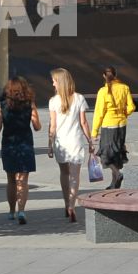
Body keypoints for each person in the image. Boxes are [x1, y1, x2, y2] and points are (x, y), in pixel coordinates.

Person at [0, 76, 40, 224]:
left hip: (9, 145)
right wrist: (34, 116)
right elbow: (37, 126)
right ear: (23, 89)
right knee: (23, 180)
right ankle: (22, 211)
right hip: (25, 144)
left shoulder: (2, 105)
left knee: (11, 180)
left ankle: (11, 211)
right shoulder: (29, 104)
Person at [47, 68, 94, 223]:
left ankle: (66, 203)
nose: (52, 83)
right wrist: (90, 141)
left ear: (59, 81)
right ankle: (72, 205)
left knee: (64, 174)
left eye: (54, 80)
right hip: (75, 141)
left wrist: (49, 143)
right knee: (75, 176)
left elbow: (52, 126)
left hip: (60, 143)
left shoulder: (53, 101)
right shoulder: (79, 98)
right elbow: (84, 123)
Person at [92, 66, 135, 190]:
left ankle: (117, 174)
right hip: (121, 125)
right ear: (116, 75)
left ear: (104, 76)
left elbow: (99, 113)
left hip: (108, 126)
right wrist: (123, 114)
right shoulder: (124, 88)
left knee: (105, 154)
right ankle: (114, 184)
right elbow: (131, 107)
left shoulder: (102, 91)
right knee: (116, 152)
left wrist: (94, 132)